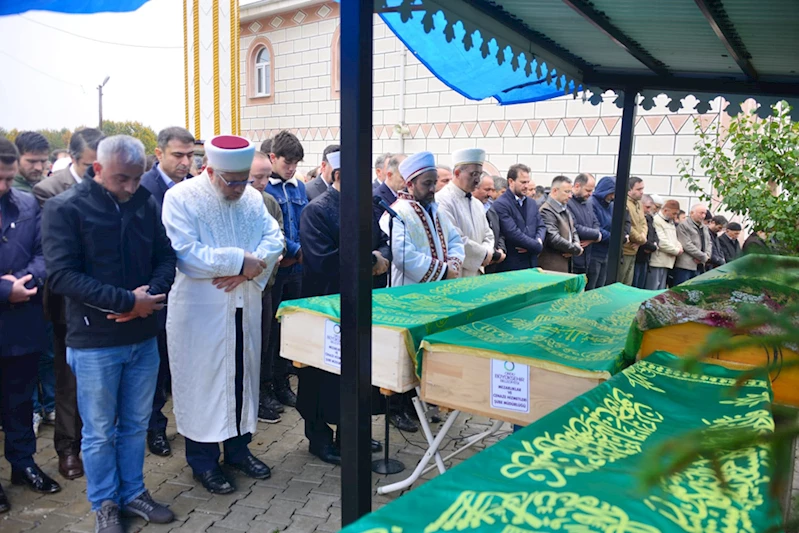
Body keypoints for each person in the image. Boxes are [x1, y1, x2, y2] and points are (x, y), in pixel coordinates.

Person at [42, 135, 177, 532]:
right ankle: (104, 503)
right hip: (95, 342)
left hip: (143, 336)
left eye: (137, 178)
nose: (131, 187)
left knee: (136, 424)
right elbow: (62, 276)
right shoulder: (65, 208)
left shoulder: (145, 203)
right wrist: (126, 301)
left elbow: (166, 256)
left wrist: (150, 296)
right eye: (122, 179)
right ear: (97, 169)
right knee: (100, 432)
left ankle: (132, 492)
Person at [161, 135, 284, 495]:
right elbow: (185, 253)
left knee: (242, 377)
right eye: (232, 181)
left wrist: (247, 271)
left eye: (245, 180)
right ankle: (203, 462)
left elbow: (274, 238)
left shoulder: (252, 198)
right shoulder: (181, 197)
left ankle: (238, 451)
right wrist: (238, 261)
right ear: (210, 170)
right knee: (204, 383)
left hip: (245, 304)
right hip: (202, 312)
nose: (239, 188)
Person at [297, 151, 385, 463]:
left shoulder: (368, 205)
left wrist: (381, 256)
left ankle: (351, 432)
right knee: (322, 376)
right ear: (339, 176)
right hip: (326, 304)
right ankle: (319, 439)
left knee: (356, 373)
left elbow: (384, 240)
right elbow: (322, 261)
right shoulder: (316, 211)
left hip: (362, 302)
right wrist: (372, 260)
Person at [32, 127, 104, 480]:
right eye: (92, 165)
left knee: (104, 380)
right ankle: (68, 448)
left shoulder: (113, 184)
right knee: (69, 379)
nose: (98, 172)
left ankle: (98, 443)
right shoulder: (49, 190)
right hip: (69, 302)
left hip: (109, 298)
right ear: (74, 159)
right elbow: (66, 248)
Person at [0, 137, 61, 514]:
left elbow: (45, 253)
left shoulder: (25, 203)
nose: (4, 187)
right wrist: (5, 290)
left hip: (22, 323)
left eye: (8, 179)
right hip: (11, 302)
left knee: (20, 402)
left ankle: (23, 464)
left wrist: (27, 281)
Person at [138, 126, 196, 458]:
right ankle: (154, 427)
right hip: (157, 290)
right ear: (159, 154)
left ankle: (188, 423)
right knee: (157, 365)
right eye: (178, 155)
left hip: (191, 289)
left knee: (182, 362)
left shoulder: (193, 188)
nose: (185, 162)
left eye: (190, 155)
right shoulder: (144, 189)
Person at [264, 131, 307, 410]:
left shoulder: (299, 187)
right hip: (276, 270)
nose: (291, 168)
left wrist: (303, 251)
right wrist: (294, 250)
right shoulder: (264, 189)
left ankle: (283, 383)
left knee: (288, 330)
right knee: (269, 331)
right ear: (273, 158)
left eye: (295, 163)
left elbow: (304, 223)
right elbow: (272, 230)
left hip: (297, 270)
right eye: (286, 162)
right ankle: (266, 385)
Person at [379, 151, 464, 286]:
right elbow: (403, 256)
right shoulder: (395, 213)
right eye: (426, 183)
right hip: (408, 290)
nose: (432, 189)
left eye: (434, 183)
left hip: (441, 287)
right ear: (410, 184)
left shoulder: (438, 211)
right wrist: (443, 271)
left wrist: (453, 264)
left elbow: (455, 240)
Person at [249, 151, 288, 423]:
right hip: (238, 287)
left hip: (265, 287)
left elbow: (280, 237)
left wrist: (275, 254)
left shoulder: (269, 202)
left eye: (266, 177)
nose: (262, 183)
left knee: (262, 344)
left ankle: (261, 393)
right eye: (257, 178)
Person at [435, 149, 495, 278]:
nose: (477, 180)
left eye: (479, 174)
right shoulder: (441, 200)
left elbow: (488, 234)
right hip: (456, 273)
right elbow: (454, 238)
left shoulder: (477, 204)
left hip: (477, 271)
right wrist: (483, 254)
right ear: (457, 173)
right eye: (473, 174)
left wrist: (487, 252)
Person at [491, 164, 545, 272]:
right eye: (523, 182)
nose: (526, 186)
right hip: (512, 266)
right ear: (511, 181)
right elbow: (512, 233)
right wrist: (536, 246)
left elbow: (541, 226)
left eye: (527, 182)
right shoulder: (501, 204)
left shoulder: (531, 203)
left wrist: (537, 242)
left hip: (532, 263)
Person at [539, 176, 582, 273]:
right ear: (555, 191)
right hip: (552, 266)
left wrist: (576, 244)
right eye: (567, 192)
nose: (570, 196)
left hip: (565, 264)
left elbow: (573, 230)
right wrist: (575, 249)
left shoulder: (564, 208)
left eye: (571, 192)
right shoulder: (546, 210)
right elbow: (553, 238)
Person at [566, 173, 601, 277]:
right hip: (574, 257)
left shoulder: (588, 202)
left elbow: (595, 222)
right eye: (588, 190)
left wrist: (594, 237)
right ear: (577, 186)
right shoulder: (567, 202)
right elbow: (575, 227)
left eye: (592, 190)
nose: (590, 194)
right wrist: (596, 235)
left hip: (587, 257)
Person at [586, 176, 615, 289]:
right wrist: (614, 238)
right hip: (594, 252)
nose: (613, 196)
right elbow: (595, 227)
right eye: (611, 193)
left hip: (605, 252)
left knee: (601, 286)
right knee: (591, 287)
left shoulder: (610, 205)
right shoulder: (592, 203)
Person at [647, 200, 683, 290]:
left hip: (667, 261)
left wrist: (679, 246)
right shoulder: (656, 220)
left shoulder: (670, 222)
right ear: (666, 210)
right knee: (653, 288)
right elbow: (661, 241)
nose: (675, 216)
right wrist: (676, 250)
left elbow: (674, 238)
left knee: (661, 289)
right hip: (657, 260)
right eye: (674, 213)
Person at [673, 203, 712, 285]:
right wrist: (702, 256)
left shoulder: (704, 227)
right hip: (686, 265)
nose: (703, 216)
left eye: (705, 213)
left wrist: (706, 255)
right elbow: (687, 244)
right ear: (692, 213)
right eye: (701, 213)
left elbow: (709, 242)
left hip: (700, 265)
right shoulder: (683, 225)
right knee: (681, 289)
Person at [620, 177, 646, 286]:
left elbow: (643, 223)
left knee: (628, 283)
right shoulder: (624, 203)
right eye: (638, 189)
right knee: (620, 281)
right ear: (629, 190)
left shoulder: (639, 204)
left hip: (635, 249)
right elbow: (627, 226)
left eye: (642, 189)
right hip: (625, 249)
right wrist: (640, 239)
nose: (642, 192)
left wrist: (642, 238)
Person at [632, 194, 659, 289]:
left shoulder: (649, 218)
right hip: (637, 255)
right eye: (647, 207)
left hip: (645, 257)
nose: (648, 210)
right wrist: (650, 246)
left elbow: (654, 234)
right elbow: (638, 236)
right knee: (634, 284)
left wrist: (654, 245)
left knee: (641, 284)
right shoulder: (636, 217)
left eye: (650, 208)